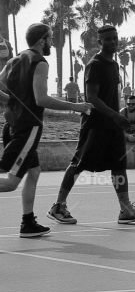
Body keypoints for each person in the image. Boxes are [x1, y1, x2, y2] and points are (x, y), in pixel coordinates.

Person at [48, 25, 135, 227]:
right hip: (95, 125)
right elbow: (92, 98)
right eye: (108, 39)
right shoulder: (94, 64)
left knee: (119, 166)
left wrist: (119, 118)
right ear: (99, 42)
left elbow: (111, 96)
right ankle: (58, 206)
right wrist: (116, 116)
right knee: (78, 164)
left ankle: (125, 209)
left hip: (112, 126)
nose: (113, 42)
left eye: (115, 38)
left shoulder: (114, 65)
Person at [0, 23, 92, 236]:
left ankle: (27, 222)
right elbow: (41, 99)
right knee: (12, 182)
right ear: (42, 40)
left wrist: (13, 101)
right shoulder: (40, 62)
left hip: (12, 124)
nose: (52, 42)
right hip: (27, 128)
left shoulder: (14, 60)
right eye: (50, 38)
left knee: (34, 172)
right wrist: (75, 106)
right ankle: (27, 222)